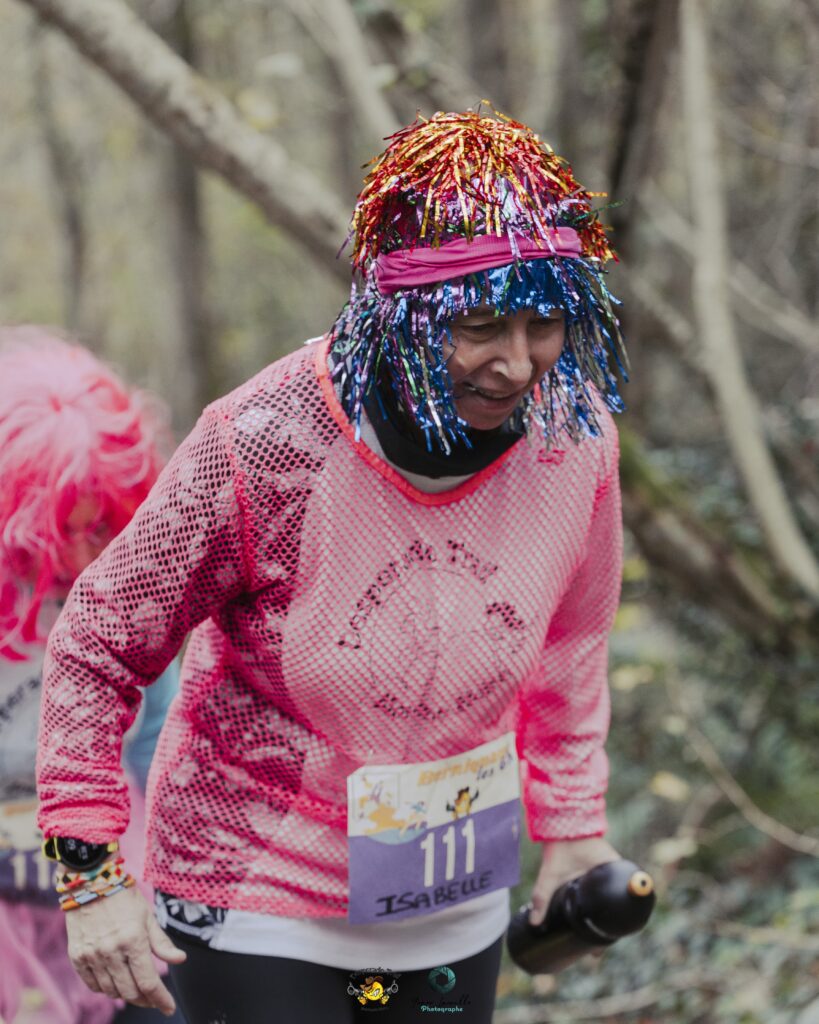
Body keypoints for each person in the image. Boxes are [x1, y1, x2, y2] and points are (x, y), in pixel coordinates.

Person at [36, 109, 630, 1023]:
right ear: (395, 307)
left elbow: (570, 644)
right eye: (478, 325)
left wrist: (574, 824)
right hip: (253, 900)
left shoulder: (573, 440)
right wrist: (90, 869)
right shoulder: (265, 441)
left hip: (451, 901)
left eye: (542, 324)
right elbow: (98, 644)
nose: (516, 366)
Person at [0, 328, 180, 1024]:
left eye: (100, 528)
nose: (82, 555)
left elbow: (154, 742)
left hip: (106, 875)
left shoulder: (127, 590)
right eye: (61, 533)